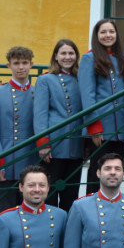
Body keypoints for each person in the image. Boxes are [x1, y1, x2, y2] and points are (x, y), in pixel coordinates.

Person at [79, 19, 124, 194]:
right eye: (103, 32)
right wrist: (94, 127)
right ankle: (92, 204)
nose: (108, 35)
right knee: (98, 171)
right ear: (96, 36)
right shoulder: (89, 58)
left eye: (111, 32)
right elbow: (87, 95)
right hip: (101, 126)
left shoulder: (122, 58)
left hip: (120, 125)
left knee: (115, 171)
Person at [34, 39, 85, 212]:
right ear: (56, 56)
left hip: (76, 143)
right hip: (54, 144)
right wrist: (43, 144)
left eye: (71, 53)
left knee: (71, 195)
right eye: (63, 53)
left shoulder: (81, 79)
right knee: (50, 194)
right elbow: (40, 113)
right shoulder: (46, 80)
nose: (67, 57)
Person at [0, 46, 38, 215]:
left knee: (29, 218)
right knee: (3, 216)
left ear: (31, 64)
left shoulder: (38, 93)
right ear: (8, 65)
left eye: (24, 63)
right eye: (16, 63)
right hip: (6, 164)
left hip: (31, 161)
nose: (21, 67)